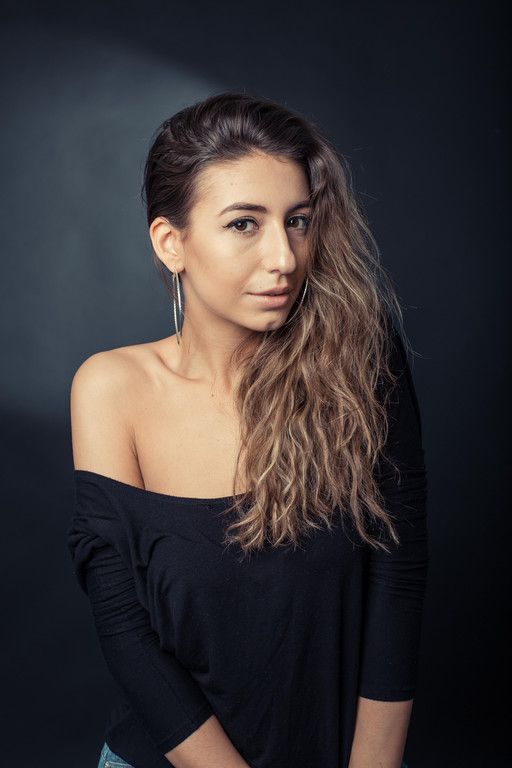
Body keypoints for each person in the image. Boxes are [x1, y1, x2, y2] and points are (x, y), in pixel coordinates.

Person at [67, 91, 427, 768]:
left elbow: (397, 583)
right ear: (171, 243)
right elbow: (124, 628)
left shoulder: (360, 360)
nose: (284, 257)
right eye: (243, 224)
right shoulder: (111, 388)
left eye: (298, 221)